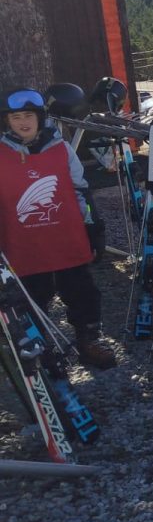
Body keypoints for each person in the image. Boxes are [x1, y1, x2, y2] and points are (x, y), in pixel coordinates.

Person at [0, 88, 116, 368]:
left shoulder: (61, 149)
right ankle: (38, 346)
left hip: (65, 239)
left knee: (82, 292)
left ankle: (89, 340)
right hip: (23, 244)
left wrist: (93, 227)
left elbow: (80, 190)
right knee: (32, 297)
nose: (23, 122)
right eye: (16, 117)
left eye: (28, 115)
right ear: (7, 121)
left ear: (40, 118)